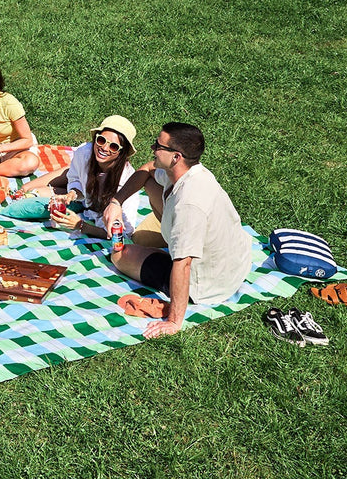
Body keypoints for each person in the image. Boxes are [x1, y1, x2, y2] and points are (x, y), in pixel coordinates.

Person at [102, 122, 252, 339]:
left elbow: (183, 265)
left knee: (119, 256)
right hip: (234, 263)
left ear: (176, 157)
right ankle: (171, 243)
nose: (152, 148)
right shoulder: (188, 172)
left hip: (206, 283)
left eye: (158, 146)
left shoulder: (189, 204)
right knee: (150, 183)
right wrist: (116, 202)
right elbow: (145, 170)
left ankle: (170, 267)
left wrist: (173, 321)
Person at [24, 116, 142, 239]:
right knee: (35, 189)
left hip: (91, 207)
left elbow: (123, 234)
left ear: (121, 153)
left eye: (113, 147)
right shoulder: (84, 153)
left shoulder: (127, 181)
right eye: (101, 140)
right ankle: (23, 190)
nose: (104, 148)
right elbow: (75, 179)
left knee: (55, 184)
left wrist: (81, 226)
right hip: (85, 200)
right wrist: (72, 194)